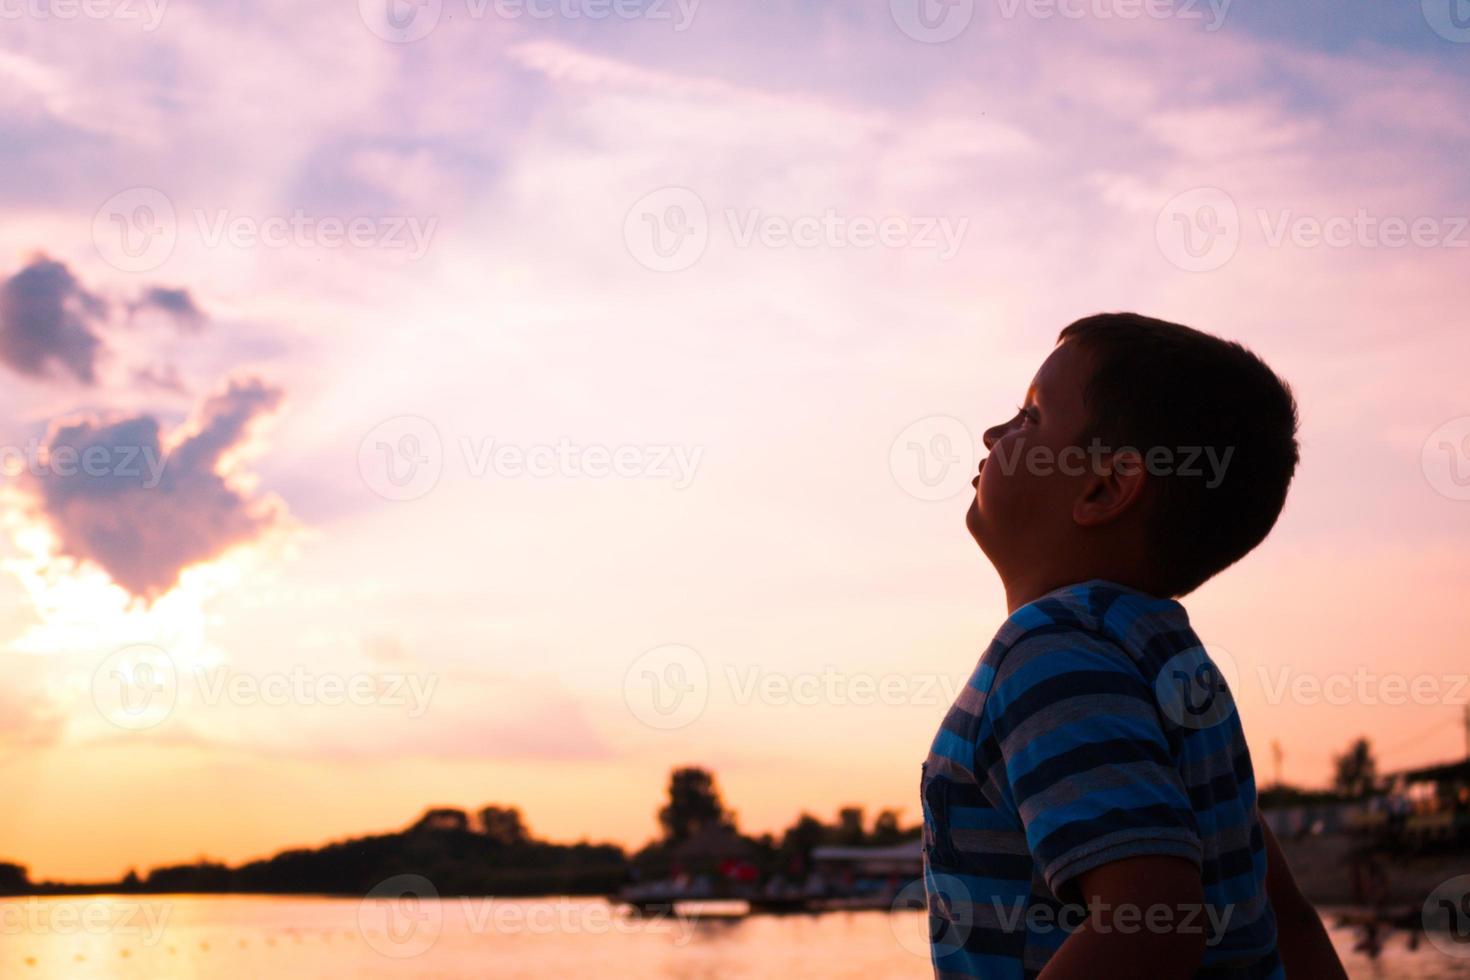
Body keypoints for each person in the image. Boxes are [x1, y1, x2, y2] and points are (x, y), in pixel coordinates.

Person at [921, 313, 1347, 979]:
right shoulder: (1167, 661)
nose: (992, 433)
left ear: (1104, 488)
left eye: (1029, 417)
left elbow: (1148, 926)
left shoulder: (1051, 656)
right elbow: (1282, 910)